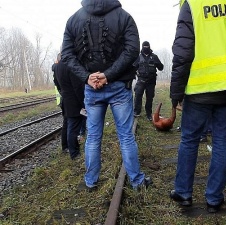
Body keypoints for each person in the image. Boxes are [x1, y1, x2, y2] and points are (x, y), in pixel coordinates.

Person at [169, 0, 226, 213]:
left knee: (190, 139)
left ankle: (183, 193)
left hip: (199, 88)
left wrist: (176, 92)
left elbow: (183, 52)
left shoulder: (193, 4)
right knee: (222, 141)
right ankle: (214, 198)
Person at [61, 0, 152, 190]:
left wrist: (87, 77)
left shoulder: (73, 20)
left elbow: (67, 55)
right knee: (126, 136)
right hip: (119, 86)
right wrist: (108, 75)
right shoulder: (124, 17)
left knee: (93, 137)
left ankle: (90, 181)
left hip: (92, 87)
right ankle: (137, 181)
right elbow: (132, 50)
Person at [52, 53, 85, 160]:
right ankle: (74, 153)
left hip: (65, 100)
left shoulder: (57, 66)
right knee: (73, 128)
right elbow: (78, 87)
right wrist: (83, 103)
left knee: (67, 125)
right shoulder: (70, 65)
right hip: (74, 102)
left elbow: (56, 83)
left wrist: (63, 93)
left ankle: (65, 146)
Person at [133, 41, 164, 121]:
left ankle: (149, 114)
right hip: (141, 81)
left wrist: (158, 64)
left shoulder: (154, 57)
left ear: (149, 47)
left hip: (151, 81)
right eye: (144, 46)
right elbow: (133, 68)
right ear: (142, 47)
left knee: (149, 98)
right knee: (138, 96)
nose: (146, 48)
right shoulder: (138, 57)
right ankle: (136, 112)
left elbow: (161, 67)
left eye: (147, 46)